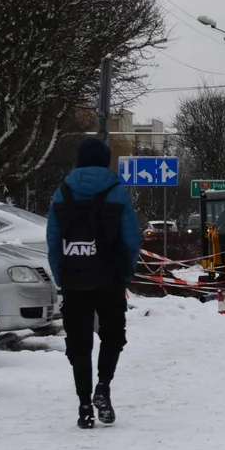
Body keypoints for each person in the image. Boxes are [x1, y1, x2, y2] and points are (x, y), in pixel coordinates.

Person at [47, 138, 140, 429]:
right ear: (106, 160)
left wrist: (61, 276)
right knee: (113, 335)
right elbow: (131, 239)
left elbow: (52, 241)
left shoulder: (62, 193)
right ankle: (104, 386)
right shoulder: (118, 192)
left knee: (79, 344)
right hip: (110, 277)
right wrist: (125, 274)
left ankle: (84, 405)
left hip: (74, 277)